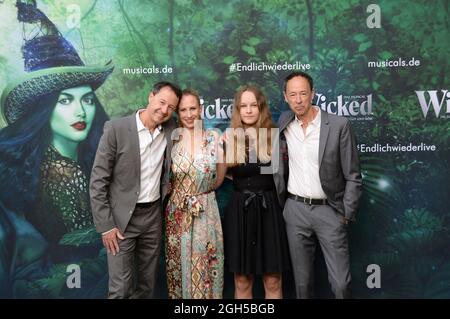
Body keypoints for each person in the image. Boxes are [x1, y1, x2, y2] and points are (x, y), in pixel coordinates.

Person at [0, 0, 113, 298]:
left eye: (87, 99)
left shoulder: (102, 161)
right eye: (65, 100)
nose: (81, 112)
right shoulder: (17, 174)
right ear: (45, 109)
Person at [89, 81, 181, 299]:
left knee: (147, 286)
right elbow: (98, 180)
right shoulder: (116, 129)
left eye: (171, 107)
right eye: (161, 102)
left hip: (152, 218)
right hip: (121, 221)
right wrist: (106, 226)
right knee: (120, 289)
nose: (164, 110)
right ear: (150, 96)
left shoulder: (170, 129)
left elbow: (195, 128)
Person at [278, 71, 362, 299]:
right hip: (295, 211)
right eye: (293, 94)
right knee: (302, 286)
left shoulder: (338, 125)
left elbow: (353, 175)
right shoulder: (283, 124)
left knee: (340, 285)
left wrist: (345, 214)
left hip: (330, 211)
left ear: (313, 93)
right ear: (285, 97)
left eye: (303, 93)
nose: (298, 100)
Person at [223, 85, 291, 299]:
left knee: (273, 280)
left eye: (254, 105)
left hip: (270, 210)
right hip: (240, 212)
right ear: (238, 109)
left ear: (261, 108)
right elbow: (219, 177)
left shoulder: (276, 136)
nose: (249, 110)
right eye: (244, 106)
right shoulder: (228, 139)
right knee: (242, 281)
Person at [165, 89, 226, 299]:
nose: (189, 114)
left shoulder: (213, 138)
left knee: (205, 267)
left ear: (200, 109)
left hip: (206, 211)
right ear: (178, 113)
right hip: (177, 214)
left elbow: (219, 178)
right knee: (179, 268)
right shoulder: (171, 140)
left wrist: (201, 194)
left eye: (193, 108)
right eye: (183, 110)